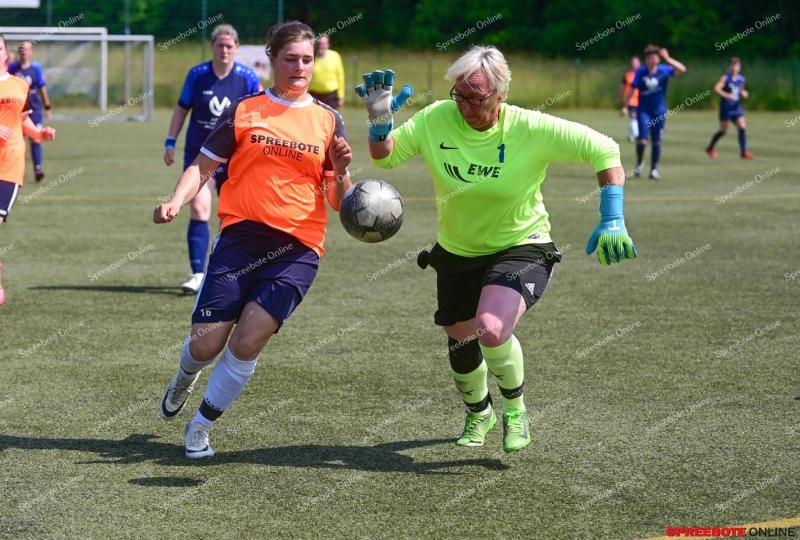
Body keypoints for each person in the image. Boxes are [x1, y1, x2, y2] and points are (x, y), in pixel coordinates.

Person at [356, 46, 636, 453]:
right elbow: (385, 158)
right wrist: (379, 124)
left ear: (500, 94)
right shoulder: (436, 118)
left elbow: (605, 148)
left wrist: (612, 215)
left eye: (476, 97)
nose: (465, 106)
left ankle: (515, 410)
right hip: (457, 251)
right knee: (461, 342)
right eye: (459, 95)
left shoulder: (530, 128)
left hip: (522, 245)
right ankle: (479, 412)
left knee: (490, 327)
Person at [154, 21, 352, 459]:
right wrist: (175, 201)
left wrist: (340, 171)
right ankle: (185, 376)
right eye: (290, 59)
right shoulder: (245, 109)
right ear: (271, 59)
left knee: (247, 342)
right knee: (206, 344)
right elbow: (203, 166)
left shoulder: (329, 120)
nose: (300, 67)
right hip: (241, 238)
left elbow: (339, 202)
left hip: (298, 248)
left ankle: (200, 427)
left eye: (307, 60)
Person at [163, 24, 263, 294]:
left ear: (237, 48)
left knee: (233, 216)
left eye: (229, 46)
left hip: (236, 157)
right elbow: (181, 110)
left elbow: (261, 113)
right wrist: (170, 141)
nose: (224, 50)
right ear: (212, 46)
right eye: (220, 45)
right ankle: (198, 275)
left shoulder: (248, 77)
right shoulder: (197, 75)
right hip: (202, 156)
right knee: (199, 209)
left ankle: (225, 273)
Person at [0, 34, 56, 306]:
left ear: (5, 53)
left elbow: (22, 120)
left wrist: (38, 134)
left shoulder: (20, 85)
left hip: (9, 163)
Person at [623, 45, 686, 180]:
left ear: (658, 59)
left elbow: (682, 69)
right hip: (644, 111)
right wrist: (625, 106)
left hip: (659, 111)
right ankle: (639, 163)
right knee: (642, 141)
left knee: (656, 141)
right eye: (649, 57)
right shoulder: (640, 72)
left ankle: (654, 170)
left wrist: (668, 58)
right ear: (646, 59)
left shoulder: (664, 70)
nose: (652, 60)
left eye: (655, 57)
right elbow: (632, 90)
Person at [8, 40, 52, 182]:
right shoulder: (12, 68)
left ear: (31, 52)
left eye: (27, 49)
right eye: (22, 49)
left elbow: (42, 88)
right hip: (17, 110)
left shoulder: (36, 68)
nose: (24, 51)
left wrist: (47, 107)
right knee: (16, 140)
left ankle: (38, 169)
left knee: (35, 138)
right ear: (18, 51)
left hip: (35, 109)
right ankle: (14, 170)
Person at [705, 57, 754, 159]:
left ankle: (744, 152)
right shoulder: (725, 78)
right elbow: (716, 89)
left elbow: (740, 90)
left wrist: (743, 93)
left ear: (739, 67)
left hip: (737, 107)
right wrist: (726, 95)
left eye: (736, 65)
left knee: (742, 127)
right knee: (723, 131)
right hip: (726, 108)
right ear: (729, 67)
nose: (734, 68)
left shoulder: (741, 79)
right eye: (732, 65)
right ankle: (710, 147)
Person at [308, 35, 345, 109]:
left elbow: (340, 76)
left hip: (331, 96)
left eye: (323, 44)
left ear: (328, 45)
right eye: (319, 44)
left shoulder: (335, 56)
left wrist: (341, 96)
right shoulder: (310, 57)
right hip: (314, 95)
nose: (321, 46)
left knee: (330, 115)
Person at [616, 56, 640, 142]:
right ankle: (637, 135)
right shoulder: (627, 75)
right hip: (630, 99)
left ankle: (630, 136)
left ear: (639, 64)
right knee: (633, 115)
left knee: (636, 118)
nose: (634, 65)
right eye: (632, 63)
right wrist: (618, 98)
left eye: (636, 63)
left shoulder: (642, 74)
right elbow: (622, 87)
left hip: (641, 99)